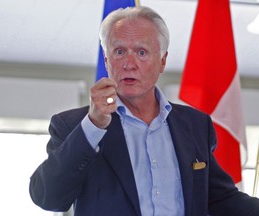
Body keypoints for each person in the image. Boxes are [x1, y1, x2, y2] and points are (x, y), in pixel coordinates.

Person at [29, 6, 259, 216]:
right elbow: (49, 198)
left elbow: (221, 199)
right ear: (107, 60)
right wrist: (94, 125)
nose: (129, 63)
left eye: (141, 52)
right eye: (119, 52)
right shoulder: (73, 125)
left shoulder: (195, 125)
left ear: (162, 61)